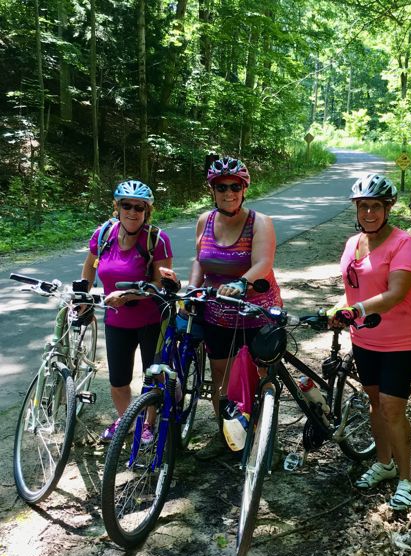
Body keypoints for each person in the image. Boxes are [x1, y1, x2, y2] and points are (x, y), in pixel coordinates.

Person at [328, 173, 411, 510]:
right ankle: (384, 463)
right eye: (363, 206)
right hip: (365, 338)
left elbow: (395, 294)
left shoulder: (404, 244)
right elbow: (354, 289)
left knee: (394, 408)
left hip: (403, 341)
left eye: (376, 206)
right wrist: (341, 307)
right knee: (375, 403)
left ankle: (407, 478)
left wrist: (356, 309)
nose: (368, 213)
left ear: (388, 207)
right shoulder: (353, 243)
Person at [186, 156, 283, 420]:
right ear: (212, 191)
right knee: (221, 376)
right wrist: (191, 289)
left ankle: (262, 442)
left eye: (235, 187)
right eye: (222, 187)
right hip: (217, 313)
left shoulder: (259, 222)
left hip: (256, 310)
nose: (228, 193)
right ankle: (225, 437)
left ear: (244, 189)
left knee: (261, 377)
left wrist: (241, 283)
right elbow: (200, 260)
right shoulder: (204, 220)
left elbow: (263, 262)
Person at [81, 179, 173, 442]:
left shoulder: (157, 240)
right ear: (117, 207)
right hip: (116, 321)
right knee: (118, 380)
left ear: (147, 211)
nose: (132, 212)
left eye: (139, 207)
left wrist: (130, 294)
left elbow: (161, 284)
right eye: (127, 205)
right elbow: (89, 266)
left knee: (151, 378)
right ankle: (128, 421)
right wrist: (83, 294)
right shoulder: (103, 235)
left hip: (151, 320)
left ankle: (148, 425)